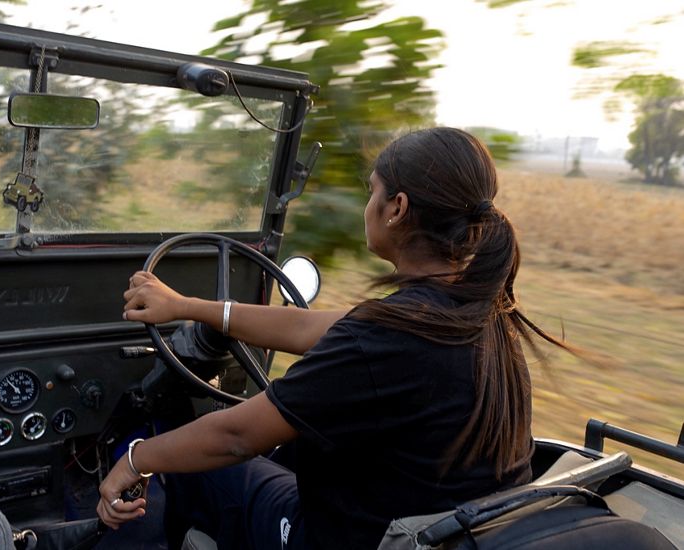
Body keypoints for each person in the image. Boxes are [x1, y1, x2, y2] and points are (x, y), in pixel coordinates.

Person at [97, 127, 553, 549]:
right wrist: (188, 307)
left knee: (190, 467)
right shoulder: (476, 312)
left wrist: (137, 459)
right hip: (443, 531)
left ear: (397, 208)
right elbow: (305, 327)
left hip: (352, 539)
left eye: (372, 191)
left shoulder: (389, 333)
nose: (367, 205)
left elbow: (237, 435)